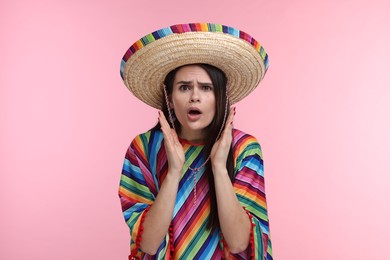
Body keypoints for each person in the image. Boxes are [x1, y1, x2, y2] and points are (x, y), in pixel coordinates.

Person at [118, 23, 272, 260]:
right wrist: (173, 171)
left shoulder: (243, 148)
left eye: (206, 88)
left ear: (221, 97)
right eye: (184, 87)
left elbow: (240, 242)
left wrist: (220, 168)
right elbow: (147, 244)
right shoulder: (144, 148)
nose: (195, 97)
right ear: (169, 98)